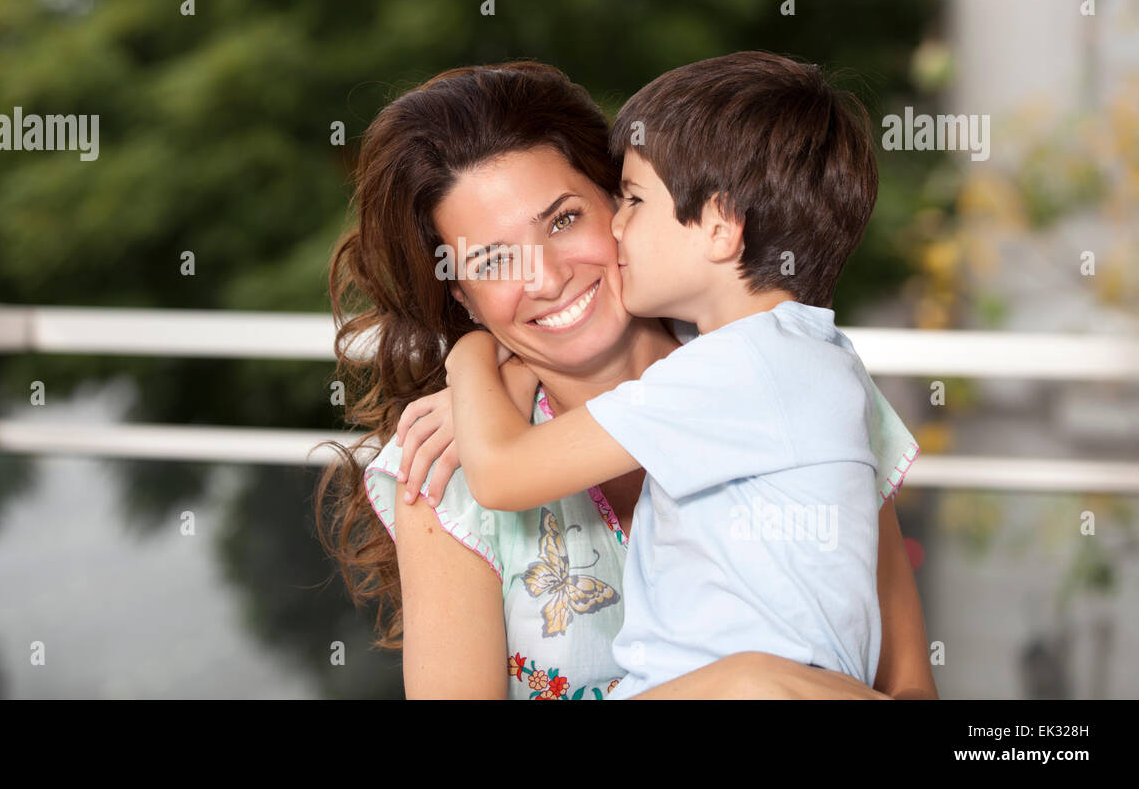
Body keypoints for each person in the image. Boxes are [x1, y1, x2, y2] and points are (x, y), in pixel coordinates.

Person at [315, 60, 933, 699]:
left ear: (619, 203)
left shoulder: (802, 375)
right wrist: (737, 686)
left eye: (562, 221)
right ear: (462, 294)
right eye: (494, 260)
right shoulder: (442, 472)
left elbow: (911, 689)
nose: (547, 278)